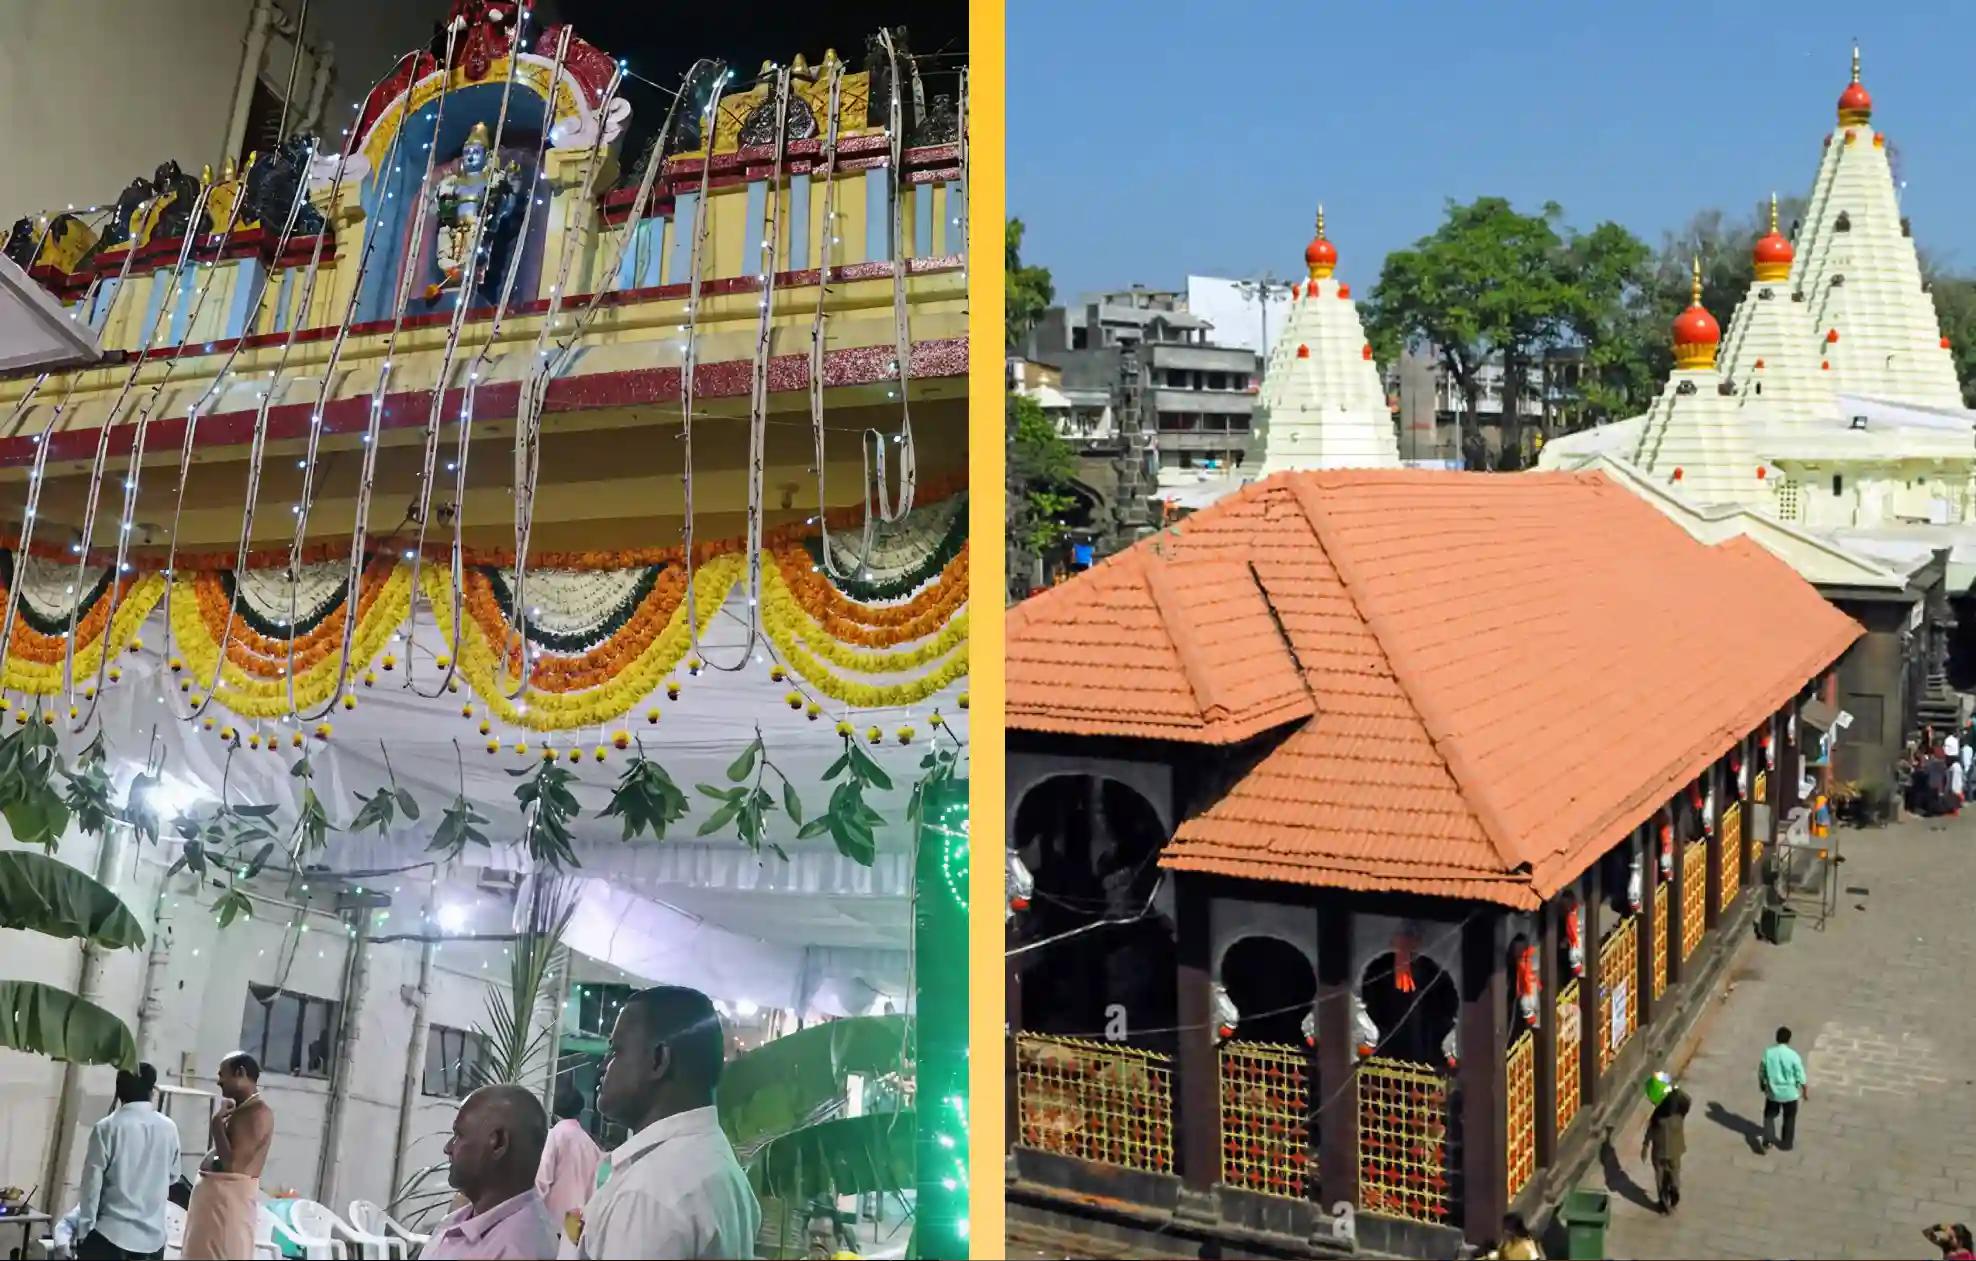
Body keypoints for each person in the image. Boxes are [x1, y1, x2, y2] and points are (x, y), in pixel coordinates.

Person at [575, 986, 761, 1259]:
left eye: (616, 1051)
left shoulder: (648, 1195)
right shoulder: (719, 1165)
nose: (603, 1066)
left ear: (658, 1060)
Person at [424, 1085, 558, 1259]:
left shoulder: (518, 1250)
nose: (448, 1148)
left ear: (498, 1143)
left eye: (459, 1135)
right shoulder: (462, 1220)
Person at [73, 1063, 180, 1260]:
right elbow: (173, 1176)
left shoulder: (107, 1128)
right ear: (152, 1091)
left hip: (111, 1237)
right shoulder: (169, 1128)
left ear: (119, 1091)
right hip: (153, 1242)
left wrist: (85, 1231)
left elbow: (91, 1186)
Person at [181, 1052, 273, 1260]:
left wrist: (216, 1126)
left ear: (240, 1073)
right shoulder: (241, 1110)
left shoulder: (257, 1113)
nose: (219, 1081)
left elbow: (232, 1165)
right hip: (213, 1211)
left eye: (223, 1074)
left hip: (229, 1211)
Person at [536, 1083, 604, 1249]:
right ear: (579, 1112)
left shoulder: (555, 1135)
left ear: (554, 1110)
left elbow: (542, 1180)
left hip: (551, 1221)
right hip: (576, 1222)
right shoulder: (591, 1145)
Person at [1758, 1026, 1808, 1152]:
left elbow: (1761, 1071)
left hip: (1773, 1093)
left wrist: (1762, 1084)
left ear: (1776, 1038)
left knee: (1769, 1116)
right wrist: (1805, 1091)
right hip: (1790, 1093)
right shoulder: (1793, 1055)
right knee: (1789, 1118)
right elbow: (1800, 1075)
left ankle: (1768, 1141)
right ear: (1789, 1040)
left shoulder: (1768, 1053)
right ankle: (1786, 1144)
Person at [1640, 1086, 1690, 1212]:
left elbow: (1649, 1132)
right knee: (1674, 1174)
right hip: (1675, 1151)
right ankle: (1674, 1189)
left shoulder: (1658, 1118)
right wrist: (1677, 1090)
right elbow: (1687, 1100)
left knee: (1660, 1178)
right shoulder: (1679, 1116)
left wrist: (1645, 1147)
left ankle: (1664, 1202)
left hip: (1659, 1152)